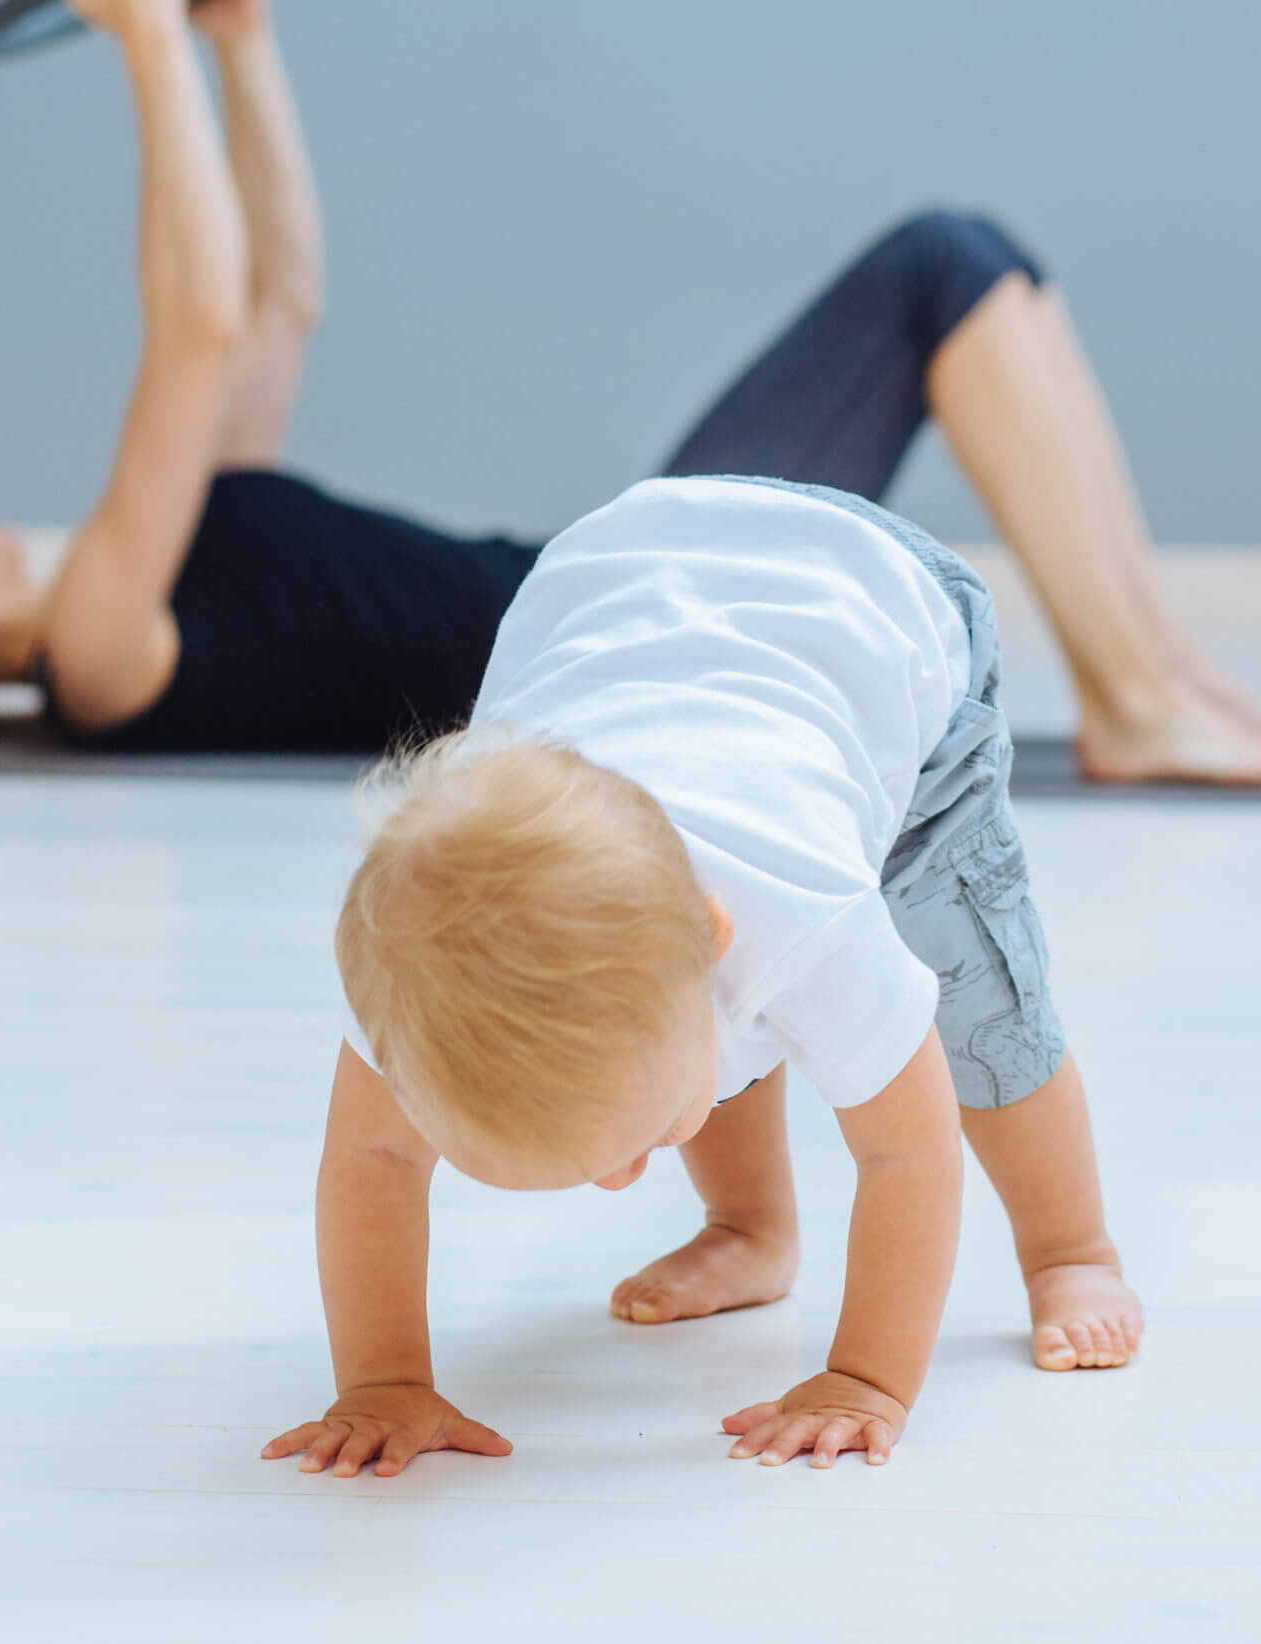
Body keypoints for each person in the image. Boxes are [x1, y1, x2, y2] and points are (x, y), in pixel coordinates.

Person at [0, 0, 1261, 784]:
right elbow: (192, 326)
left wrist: (235, 44)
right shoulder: (103, 651)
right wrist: (144, 50)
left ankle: (1162, 671)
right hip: (629, 626)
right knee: (943, 264)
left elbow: (273, 305)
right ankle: (1134, 701)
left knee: (959, 262)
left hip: (613, 590)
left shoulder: (152, 576)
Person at [265, 472, 1139, 1479]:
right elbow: (371, 1163)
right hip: (622, 576)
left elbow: (910, 1155)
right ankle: (750, 1233)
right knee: (679, 1045)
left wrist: (865, 1378)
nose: (620, 1176)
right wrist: (382, 1379)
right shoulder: (408, 964)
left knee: (982, 1004)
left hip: (881, 610)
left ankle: (1072, 1252)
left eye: (625, 1143)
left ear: (720, 934)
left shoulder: (806, 920)